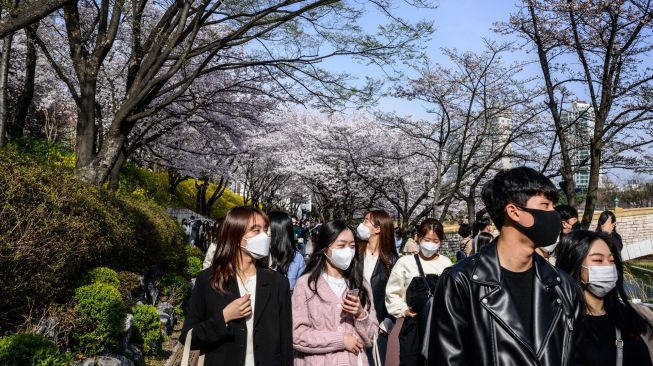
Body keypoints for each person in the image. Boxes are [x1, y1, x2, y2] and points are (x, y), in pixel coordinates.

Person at [428, 166, 582, 366]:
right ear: (514, 212)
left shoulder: (564, 286)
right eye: (545, 206)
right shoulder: (461, 282)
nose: (554, 215)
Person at [180, 207, 292, 366]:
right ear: (235, 235)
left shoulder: (278, 283)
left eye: (266, 230)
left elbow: (285, 342)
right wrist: (224, 317)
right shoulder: (208, 280)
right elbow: (188, 337)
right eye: (255, 230)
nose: (264, 236)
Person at [556, 230, 653, 365]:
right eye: (598, 260)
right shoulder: (560, 325)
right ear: (575, 263)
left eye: (612, 260)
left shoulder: (631, 317)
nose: (608, 266)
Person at [292, 220, 378, 366]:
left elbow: (371, 338)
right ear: (325, 248)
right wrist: (340, 340)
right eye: (341, 245)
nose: (348, 251)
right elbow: (297, 335)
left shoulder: (361, 284)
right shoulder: (306, 285)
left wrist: (361, 315)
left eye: (352, 246)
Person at [385, 218, 452, 366]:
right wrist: (403, 310)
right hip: (413, 325)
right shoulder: (405, 262)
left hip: (438, 326)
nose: (431, 244)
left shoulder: (446, 263)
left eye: (435, 240)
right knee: (410, 360)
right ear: (418, 238)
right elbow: (392, 291)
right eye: (427, 239)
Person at [357, 210, 400, 366]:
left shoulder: (392, 260)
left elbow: (399, 294)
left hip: (378, 326)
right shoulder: (355, 254)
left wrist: (388, 323)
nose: (362, 224)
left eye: (366, 221)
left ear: (378, 228)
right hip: (354, 321)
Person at [268, 211, 305, 290]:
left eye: (266, 228)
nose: (264, 233)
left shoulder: (297, 258)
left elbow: (301, 291)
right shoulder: (259, 256)